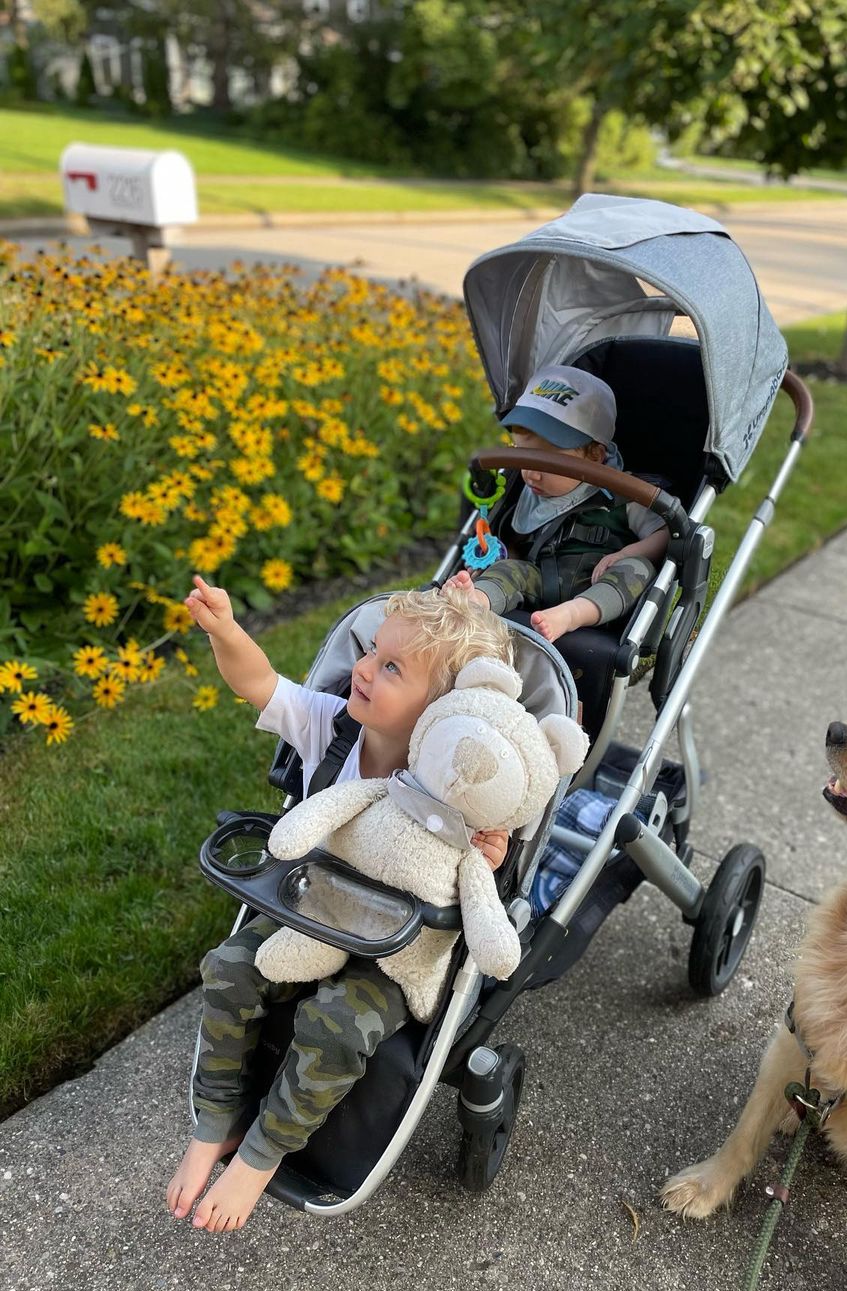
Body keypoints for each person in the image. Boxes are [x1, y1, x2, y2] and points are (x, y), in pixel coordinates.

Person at [166, 580, 514, 1232]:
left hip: (393, 953)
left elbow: (480, 873)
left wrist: (491, 857)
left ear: (444, 708)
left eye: (390, 667)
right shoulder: (333, 726)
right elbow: (259, 683)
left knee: (337, 1026)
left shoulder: (460, 782)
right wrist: (224, 630)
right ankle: (214, 1122)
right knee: (229, 968)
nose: (362, 668)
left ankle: (263, 1154)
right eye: (373, 651)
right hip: (311, 908)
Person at [444, 365, 669, 642]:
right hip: (538, 580)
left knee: (638, 569)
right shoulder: (526, 491)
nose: (532, 473)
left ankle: (571, 614)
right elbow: (514, 543)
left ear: (594, 456)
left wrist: (627, 553)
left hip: (598, 585)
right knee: (509, 570)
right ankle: (476, 600)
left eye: (548, 462)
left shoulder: (623, 494)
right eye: (523, 457)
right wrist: (492, 566)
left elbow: (665, 532)